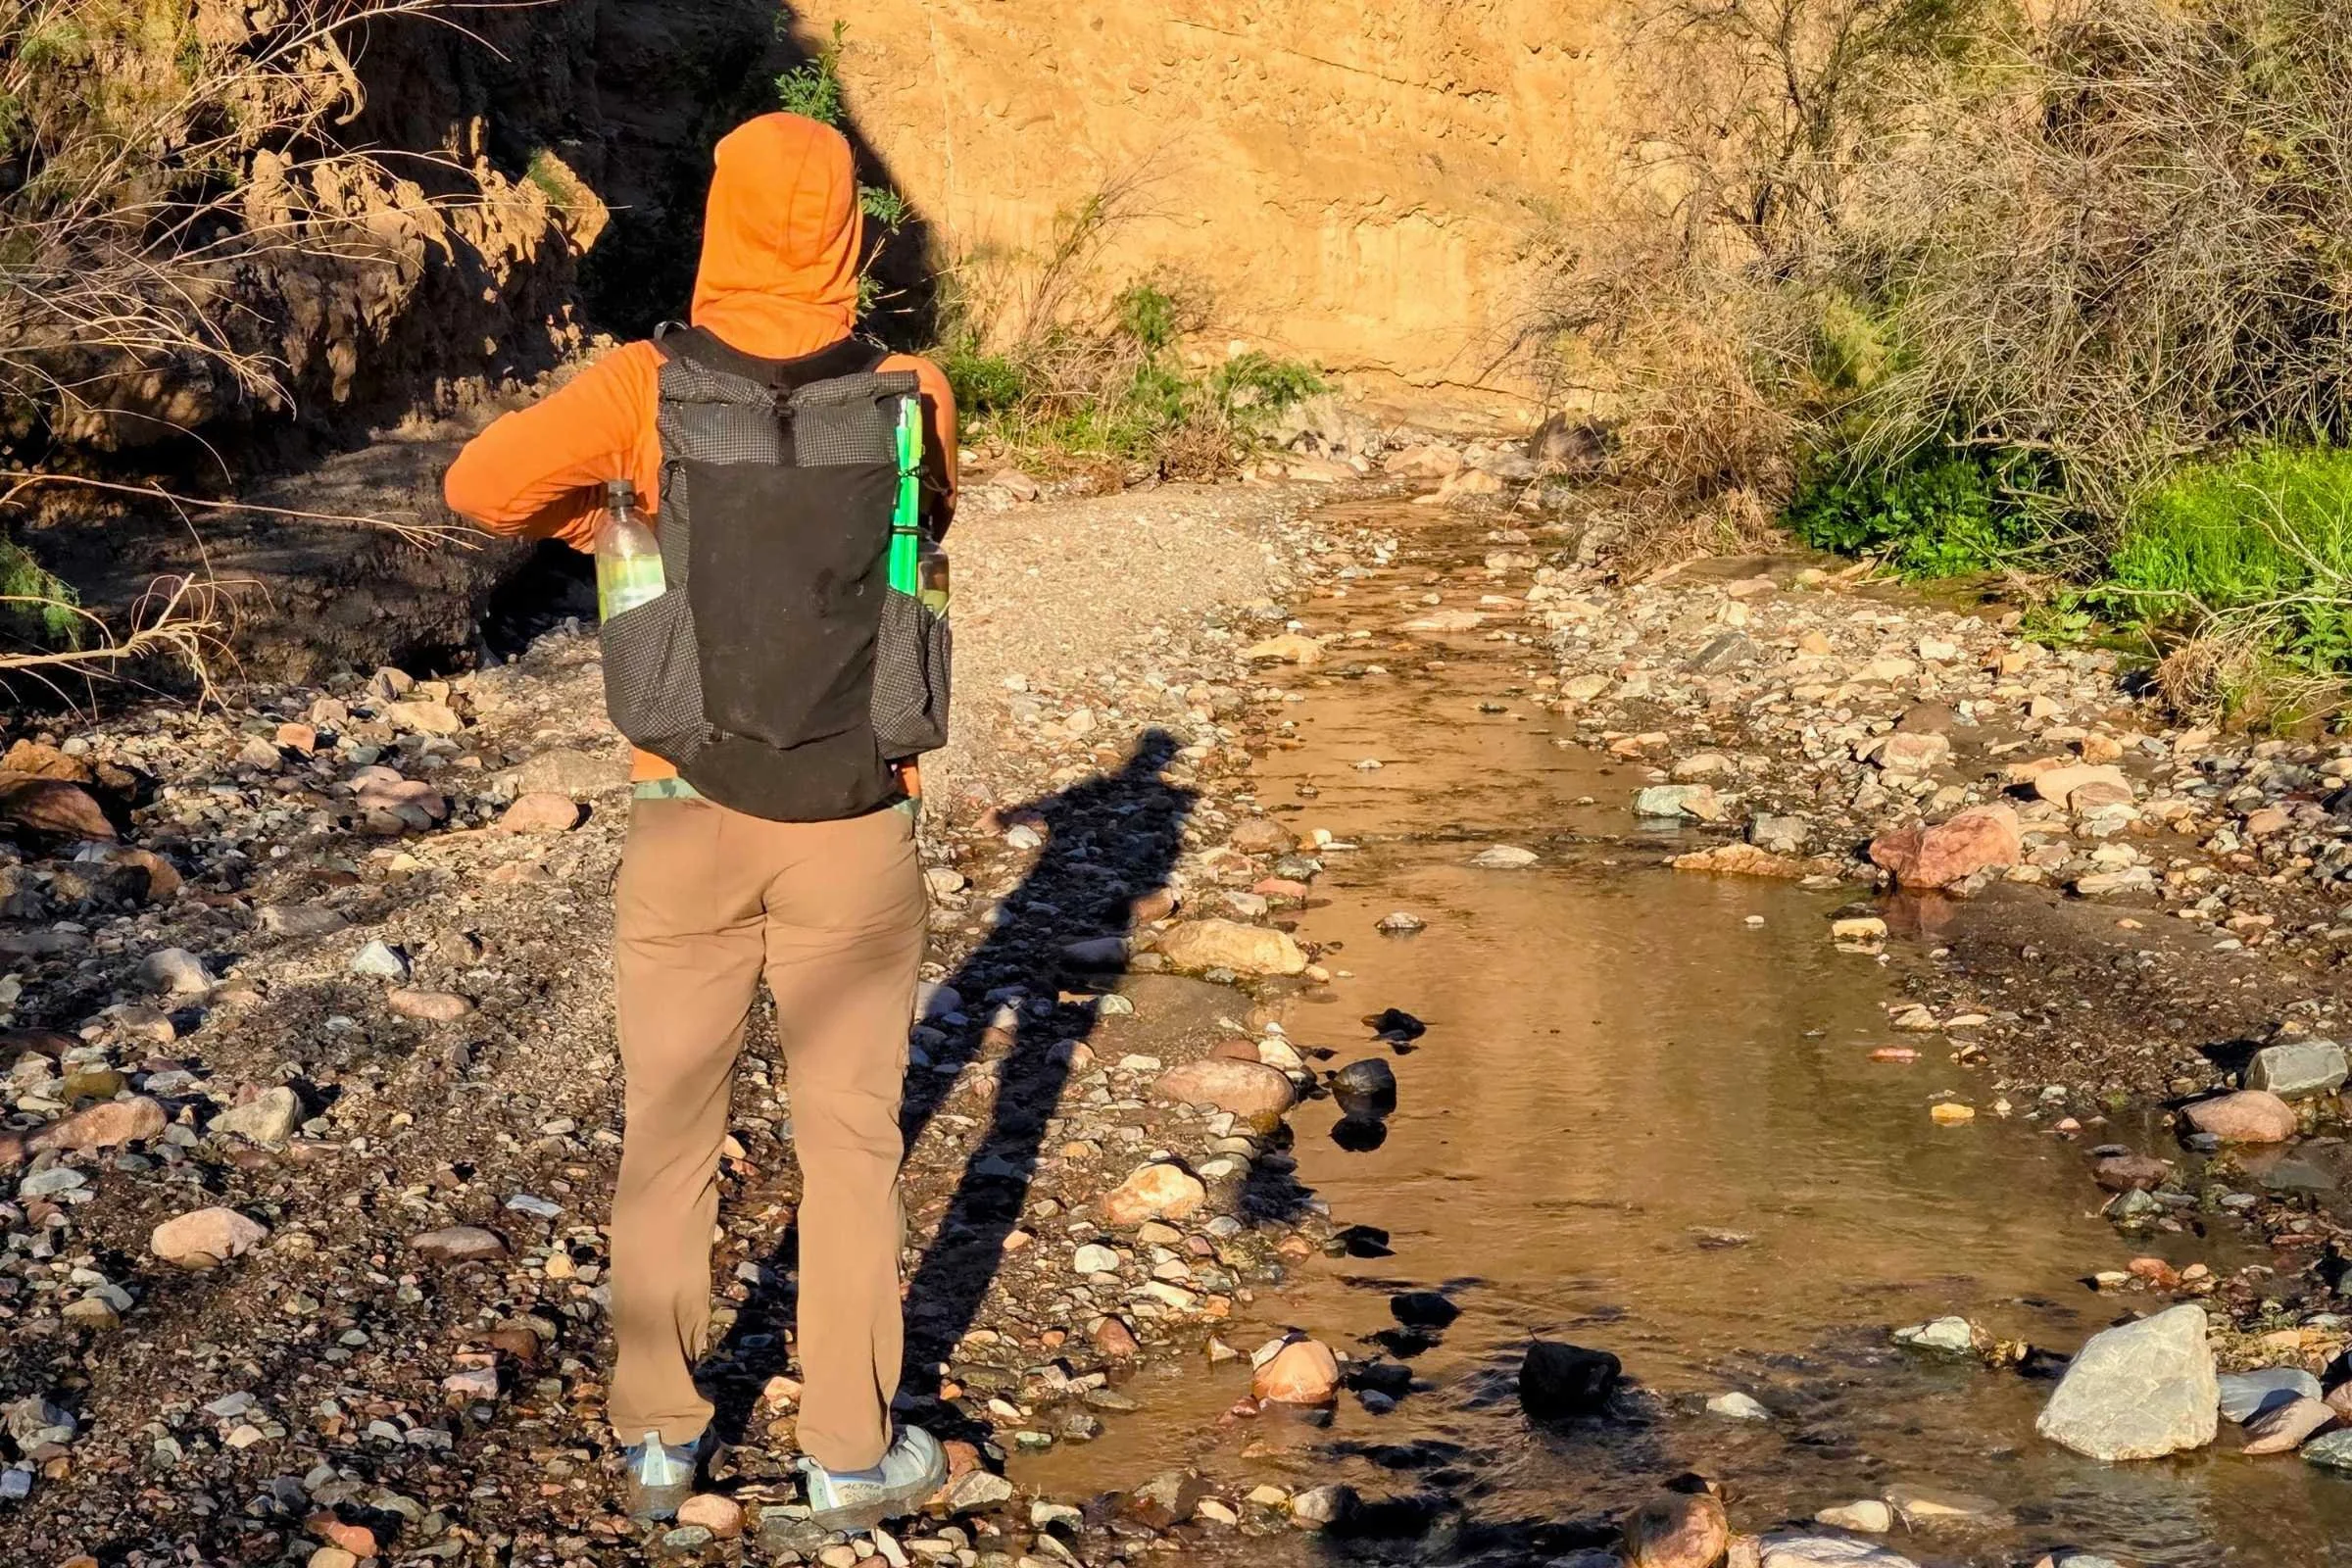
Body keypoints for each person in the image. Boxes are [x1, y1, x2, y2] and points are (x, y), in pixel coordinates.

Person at [442, 111, 957, 1530]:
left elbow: (481, 486)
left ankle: (664, 1437)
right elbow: (927, 528)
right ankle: (850, 1447)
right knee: (851, 1142)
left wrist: (625, 533)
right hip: (857, 819)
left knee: (670, 1127)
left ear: (720, 217)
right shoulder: (914, 390)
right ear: (854, 229)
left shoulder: (639, 388)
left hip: (685, 808)